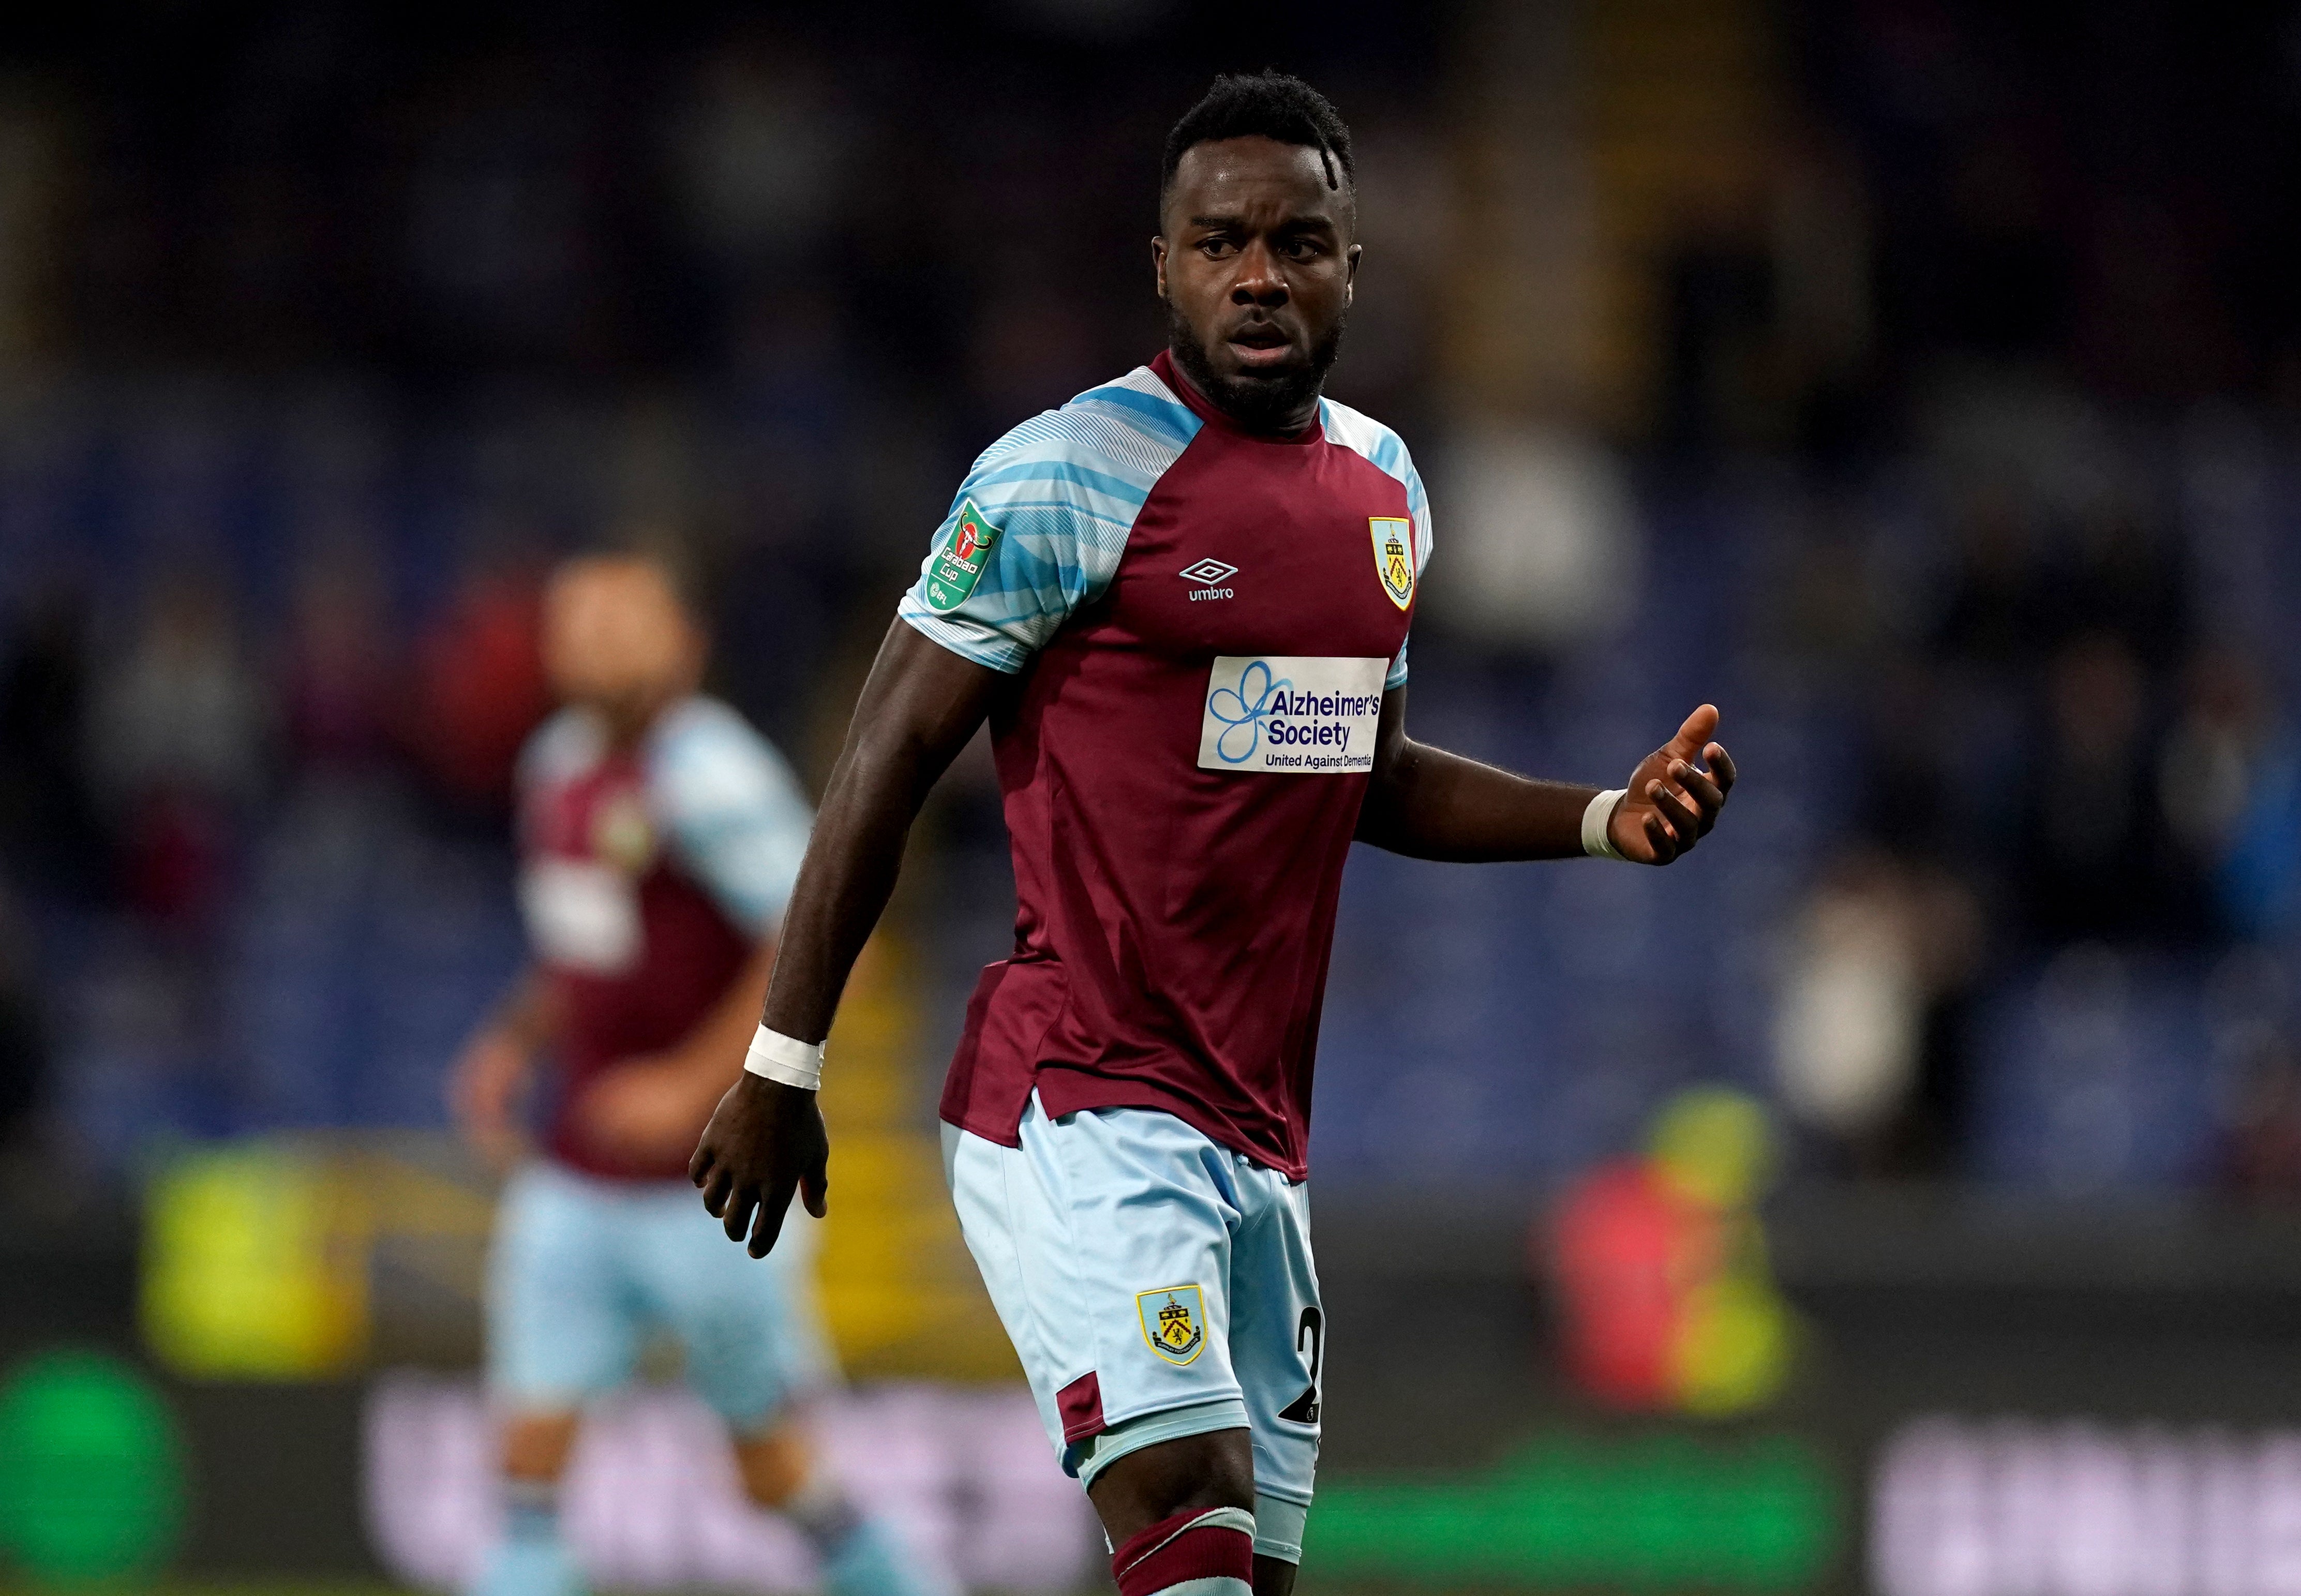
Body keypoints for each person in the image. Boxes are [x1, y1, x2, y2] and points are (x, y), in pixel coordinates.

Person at [690, 72, 1736, 1596]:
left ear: (1354, 267)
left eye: (1299, 241)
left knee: (1243, 1571)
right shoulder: (1065, 474)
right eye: (1223, 240)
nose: (1261, 273)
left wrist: (1595, 820)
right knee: (1187, 1510)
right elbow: (883, 757)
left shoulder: (1385, 491)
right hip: (1081, 1096)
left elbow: (1358, 771)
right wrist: (786, 1062)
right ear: (1164, 264)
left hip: (1259, 1136)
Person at [451, 554, 936, 1596]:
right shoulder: (555, 768)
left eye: (626, 617)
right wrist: (512, 1042)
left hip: (712, 1186)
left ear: (685, 642)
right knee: (528, 1452)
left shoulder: (711, 775)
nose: (598, 637)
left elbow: (821, 942)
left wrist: (687, 1084)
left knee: (768, 1464)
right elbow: (585, 946)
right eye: (578, 617)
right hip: (575, 1172)